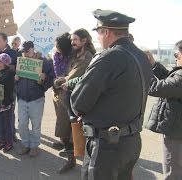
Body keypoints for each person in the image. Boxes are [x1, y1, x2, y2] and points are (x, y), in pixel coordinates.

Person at [70, 9, 153, 180]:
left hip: (106, 146)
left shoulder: (109, 56)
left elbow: (79, 101)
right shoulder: (140, 55)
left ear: (106, 32)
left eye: (99, 33)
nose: (98, 38)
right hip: (130, 141)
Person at [53, 29, 96, 174]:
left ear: (84, 40)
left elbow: (72, 76)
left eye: (75, 40)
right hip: (65, 99)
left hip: (77, 101)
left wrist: (58, 81)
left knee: (77, 134)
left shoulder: (87, 57)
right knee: (64, 131)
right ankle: (71, 160)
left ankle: (84, 166)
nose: (72, 42)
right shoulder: (74, 54)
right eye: (71, 40)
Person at [146, 40, 182, 180]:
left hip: (176, 133)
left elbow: (156, 88)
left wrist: (142, 70)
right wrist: (154, 65)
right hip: (176, 130)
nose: (174, 57)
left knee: (173, 172)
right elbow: (169, 81)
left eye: (176, 54)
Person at [16, 41, 54, 157]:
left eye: (27, 51)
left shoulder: (44, 62)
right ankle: (25, 144)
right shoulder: (20, 61)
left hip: (36, 99)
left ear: (33, 49)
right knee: (22, 124)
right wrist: (15, 78)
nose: (25, 53)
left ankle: (34, 146)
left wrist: (44, 78)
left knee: (36, 125)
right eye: (22, 51)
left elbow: (51, 79)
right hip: (22, 98)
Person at [0, 53, 15, 152]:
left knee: (7, 123)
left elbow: (2, 83)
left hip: (6, 102)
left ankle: (9, 142)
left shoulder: (10, 73)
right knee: (0, 122)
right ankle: (2, 141)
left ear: (5, 63)